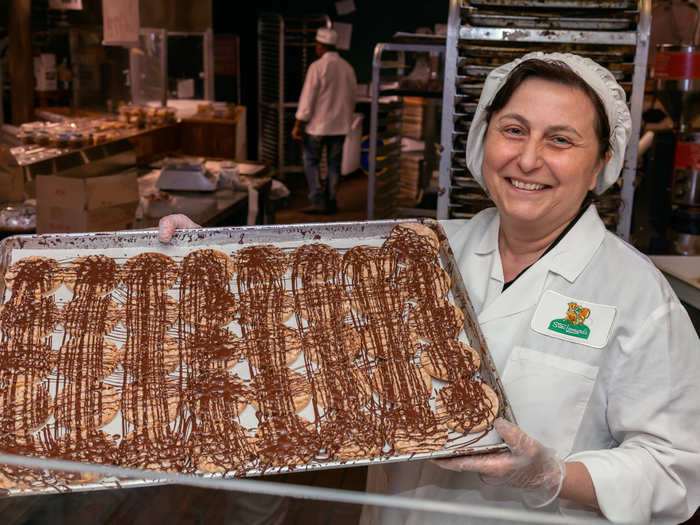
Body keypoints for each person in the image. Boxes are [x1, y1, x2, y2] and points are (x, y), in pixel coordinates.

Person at [158, 52, 700, 524]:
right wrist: (212, 265)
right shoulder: (417, 251)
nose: (529, 159)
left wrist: (551, 474)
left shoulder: (638, 296)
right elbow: (302, 320)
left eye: (561, 140)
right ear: (483, 136)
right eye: (514, 130)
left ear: (602, 162)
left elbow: (675, 470)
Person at [291, 27, 357, 214]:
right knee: (334, 164)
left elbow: (307, 99)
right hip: (340, 127)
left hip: (317, 127)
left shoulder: (317, 67)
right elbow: (353, 97)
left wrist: (298, 124)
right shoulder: (348, 68)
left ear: (320, 46)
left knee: (311, 161)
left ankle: (317, 200)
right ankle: (331, 200)